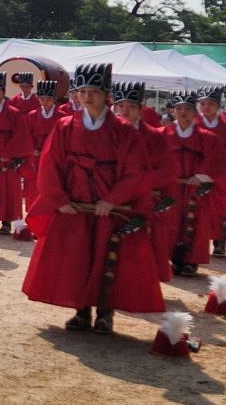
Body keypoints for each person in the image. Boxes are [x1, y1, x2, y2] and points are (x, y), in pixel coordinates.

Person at [22, 63, 163, 334]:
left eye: (94, 92)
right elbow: (51, 165)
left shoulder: (123, 131)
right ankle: (81, 311)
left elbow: (135, 171)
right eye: (83, 91)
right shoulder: (65, 126)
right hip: (76, 206)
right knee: (77, 261)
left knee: (107, 261)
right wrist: (59, 198)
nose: (87, 97)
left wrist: (112, 200)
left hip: (107, 208)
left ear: (106, 94)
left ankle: (105, 313)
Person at [110, 81, 173, 281]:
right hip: (113, 196)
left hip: (144, 198)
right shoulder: (109, 134)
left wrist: (140, 185)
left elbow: (166, 168)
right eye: (122, 107)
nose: (125, 111)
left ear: (141, 107)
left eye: (131, 107)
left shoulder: (155, 135)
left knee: (143, 242)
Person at [161, 91, 224, 276]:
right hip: (171, 187)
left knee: (195, 222)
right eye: (179, 108)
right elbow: (154, 159)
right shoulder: (162, 134)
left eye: (188, 108)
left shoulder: (208, 137)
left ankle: (191, 262)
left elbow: (217, 161)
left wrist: (201, 176)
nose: (183, 112)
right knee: (169, 221)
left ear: (195, 112)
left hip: (195, 187)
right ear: (172, 111)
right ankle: (170, 259)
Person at [0, 72, 34, 234]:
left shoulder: (14, 113)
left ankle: (6, 222)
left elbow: (20, 136)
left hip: (7, 159)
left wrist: (7, 153)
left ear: (3, 92)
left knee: (8, 191)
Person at [195, 87, 226, 257]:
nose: (206, 107)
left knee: (221, 209)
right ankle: (194, 248)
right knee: (197, 210)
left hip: (223, 173)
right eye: (203, 103)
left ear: (218, 105)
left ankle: (220, 242)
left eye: (211, 104)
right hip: (197, 173)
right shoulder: (194, 123)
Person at [24, 80, 69, 208]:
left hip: (54, 158)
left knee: (52, 183)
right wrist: (31, 149)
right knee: (34, 185)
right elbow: (26, 136)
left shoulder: (62, 117)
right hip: (36, 157)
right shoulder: (31, 116)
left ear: (54, 99)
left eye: (48, 99)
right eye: (42, 99)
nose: (45, 102)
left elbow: (64, 139)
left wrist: (50, 151)